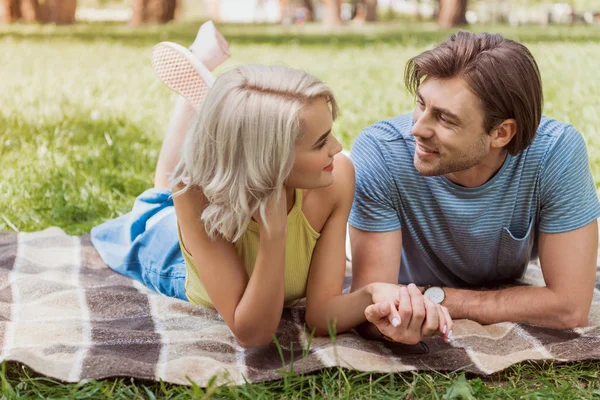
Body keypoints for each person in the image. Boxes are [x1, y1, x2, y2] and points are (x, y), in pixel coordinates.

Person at [91, 23, 453, 348]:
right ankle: (197, 95)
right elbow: (252, 333)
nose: (338, 148)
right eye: (320, 142)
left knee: (180, 178)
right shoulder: (195, 196)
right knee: (162, 194)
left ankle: (211, 98)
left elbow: (321, 314)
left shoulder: (337, 176)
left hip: (238, 177)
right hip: (170, 258)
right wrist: (273, 234)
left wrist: (373, 293)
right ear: (272, 161)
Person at [349, 30, 600, 337]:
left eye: (444, 118)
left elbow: (570, 307)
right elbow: (372, 310)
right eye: (421, 103)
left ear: (502, 133)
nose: (417, 128)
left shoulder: (555, 152)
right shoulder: (380, 153)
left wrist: (439, 299)